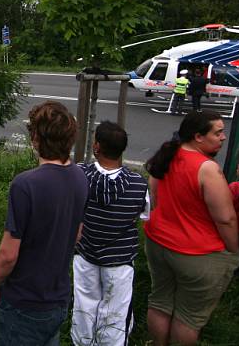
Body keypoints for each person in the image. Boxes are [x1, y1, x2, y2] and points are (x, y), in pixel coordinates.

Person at [0, 101, 87, 346]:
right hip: (58, 297)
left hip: (23, 300)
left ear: (36, 137)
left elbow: (8, 254)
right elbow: (77, 234)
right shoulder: (80, 176)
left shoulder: (25, 184)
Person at [143, 110, 239, 346]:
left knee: (160, 302)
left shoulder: (166, 155)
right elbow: (226, 218)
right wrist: (233, 250)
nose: (222, 138)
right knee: (189, 318)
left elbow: (154, 193)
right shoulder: (207, 169)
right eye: (217, 133)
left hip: (158, 243)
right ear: (198, 136)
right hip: (197, 253)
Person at [71, 121, 149, 346]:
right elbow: (143, 215)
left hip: (85, 254)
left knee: (84, 305)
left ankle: (83, 342)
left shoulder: (80, 174)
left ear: (96, 146)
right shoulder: (137, 183)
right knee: (116, 310)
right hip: (120, 260)